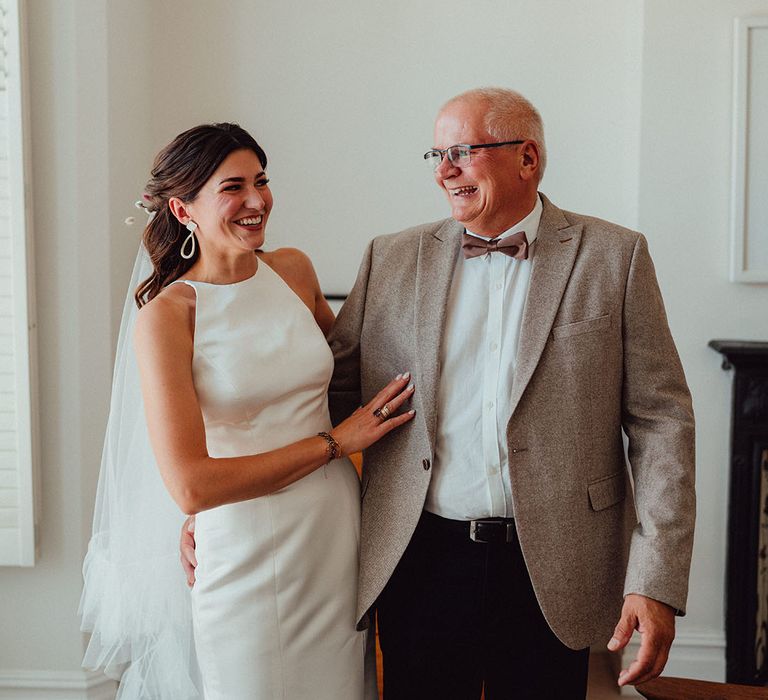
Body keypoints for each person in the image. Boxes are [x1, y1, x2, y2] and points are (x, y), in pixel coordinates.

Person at [325, 88, 695, 699]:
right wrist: (241, 504)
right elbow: (326, 400)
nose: (444, 171)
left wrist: (654, 579)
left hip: (559, 565)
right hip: (420, 560)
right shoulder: (390, 258)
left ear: (527, 158)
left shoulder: (615, 256)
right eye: (437, 154)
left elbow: (662, 422)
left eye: (464, 152)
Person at [80, 123, 415, 700]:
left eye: (262, 181)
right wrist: (336, 445)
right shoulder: (168, 316)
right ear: (184, 211)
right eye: (233, 187)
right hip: (245, 550)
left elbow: (352, 380)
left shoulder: (294, 270)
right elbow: (190, 486)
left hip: (334, 535)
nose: (258, 200)